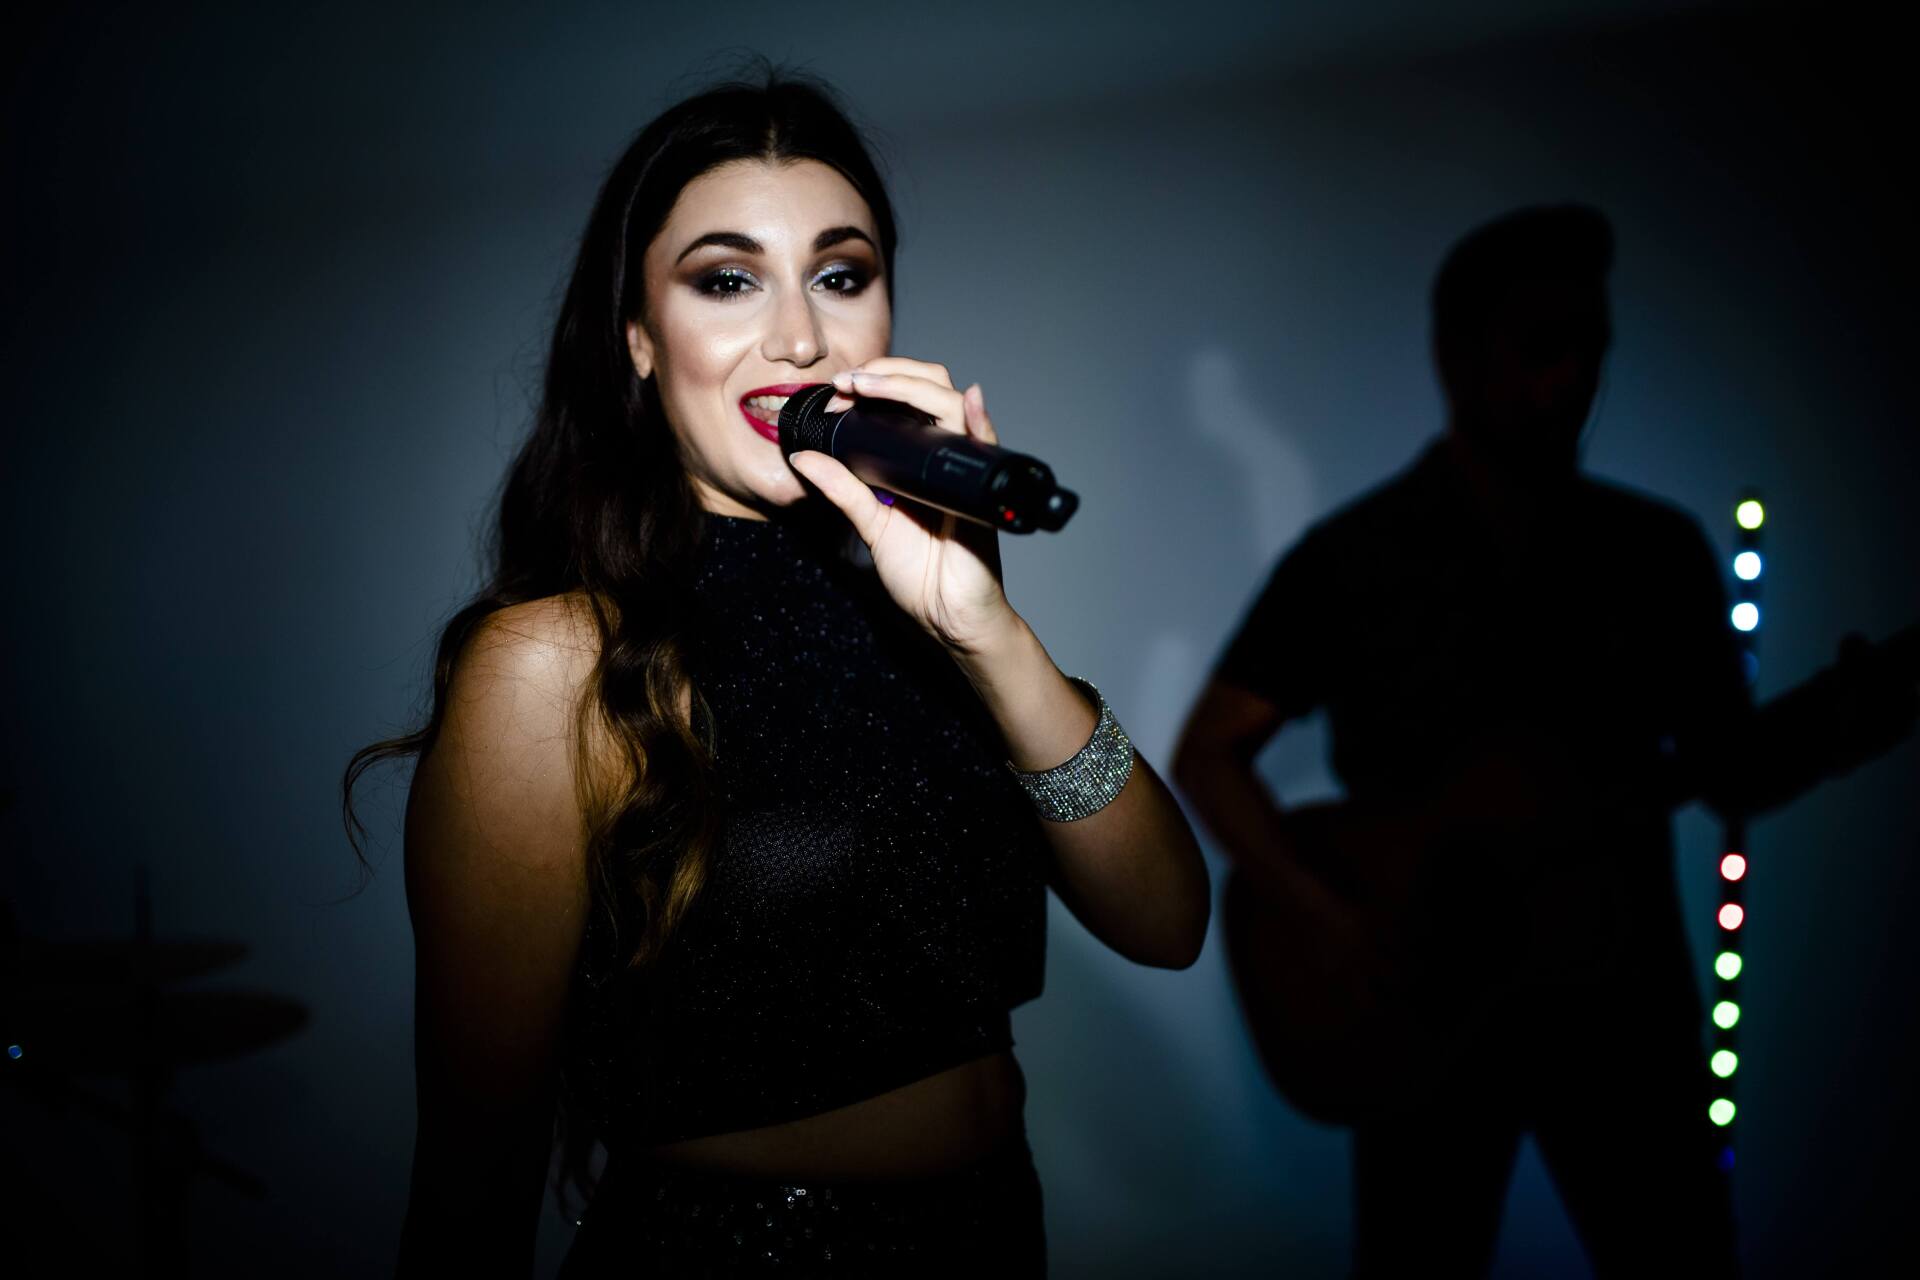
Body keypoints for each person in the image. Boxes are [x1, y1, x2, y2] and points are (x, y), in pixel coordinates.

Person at [344, 71, 1209, 1277]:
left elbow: (1169, 923)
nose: (798, 336)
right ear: (639, 339)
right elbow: (470, 1179)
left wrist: (990, 629)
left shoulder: (934, 607)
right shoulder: (552, 666)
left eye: (840, 274)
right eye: (727, 278)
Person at [1172, 204, 1915, 1277]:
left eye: (1593, 348)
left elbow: (1734, 767)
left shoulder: (1658, 552)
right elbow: (1208, 756)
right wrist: (1329, 914)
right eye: (1541, 346)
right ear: (1455, 354)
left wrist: (1854, 718)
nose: (1574, 379)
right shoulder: (1353, 557)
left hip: (1622, 1010)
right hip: (1421, 1006)